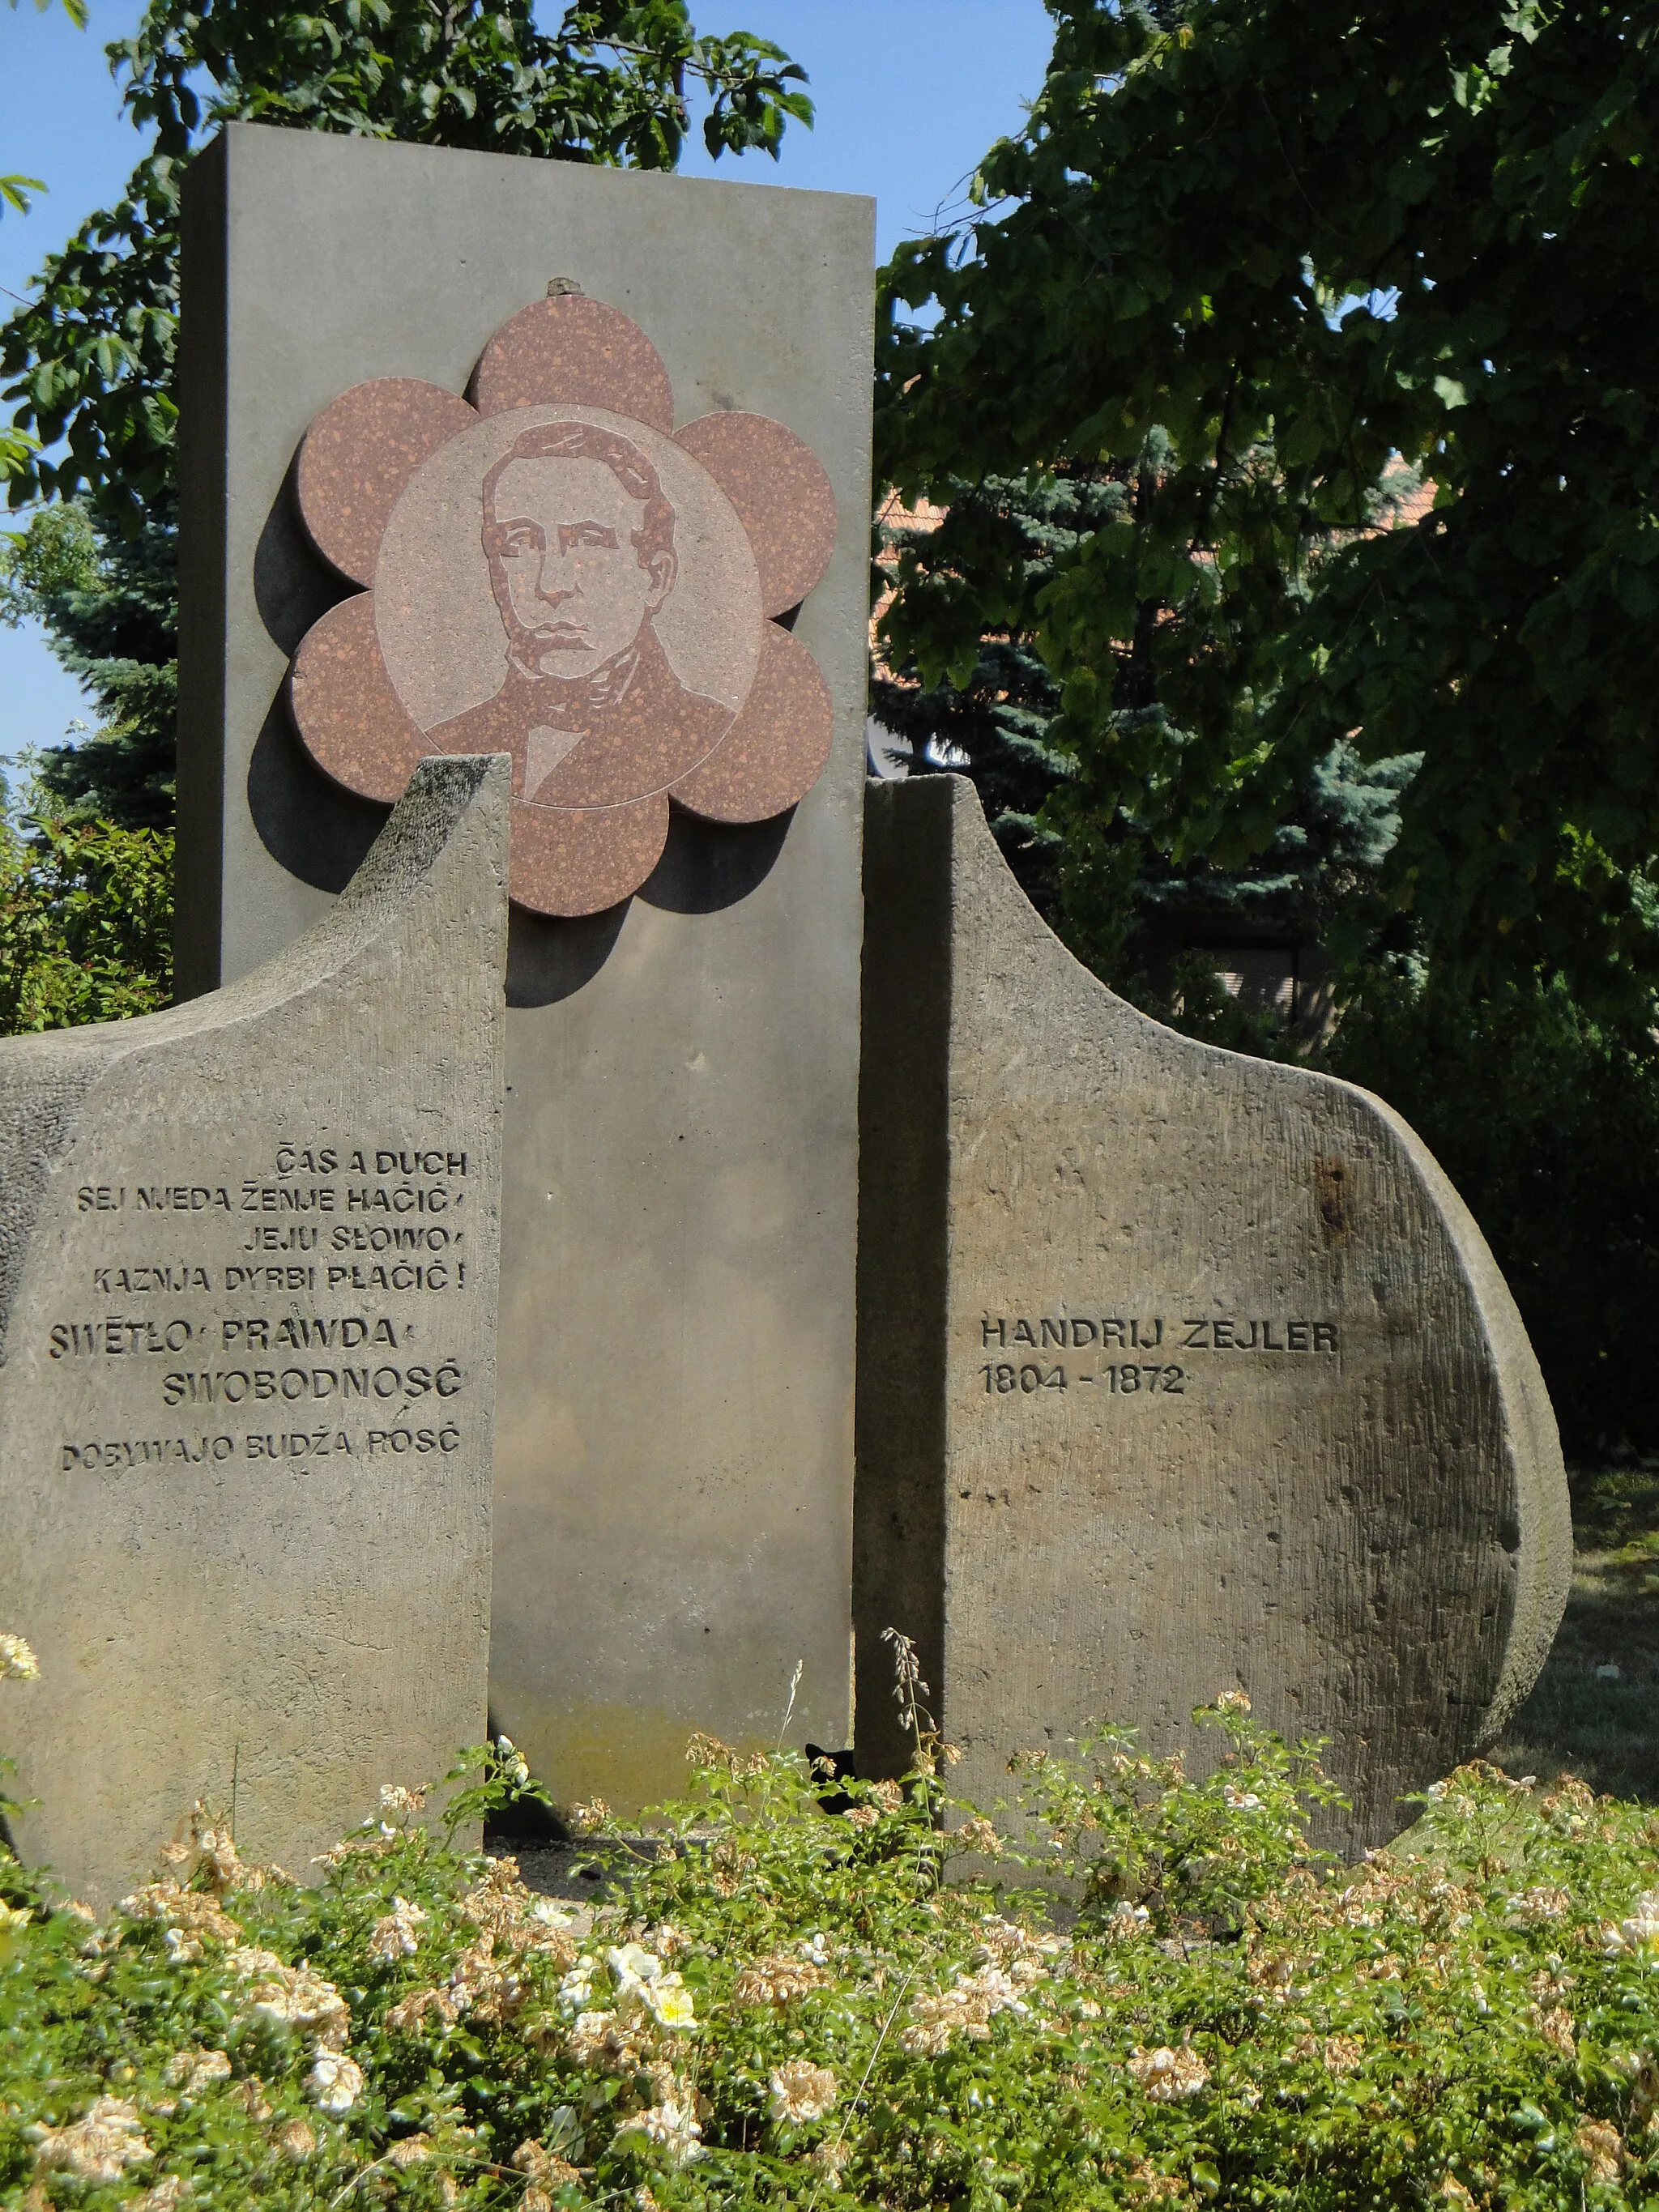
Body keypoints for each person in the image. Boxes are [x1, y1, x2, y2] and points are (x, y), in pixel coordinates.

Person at [429, 420, 731, 802]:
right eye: (520, 543)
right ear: (494, 570)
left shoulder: (706, 740)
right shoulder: (448, 747)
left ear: (656, 577)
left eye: (589, 541)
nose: (552, 585)